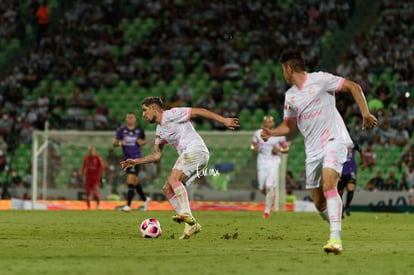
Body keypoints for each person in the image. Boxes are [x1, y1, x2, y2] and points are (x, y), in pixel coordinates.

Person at [261, 48, 378, 255]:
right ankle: (335, 217)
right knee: (318, 202)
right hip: (313, 150)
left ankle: (335, 238)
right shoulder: (291, 97)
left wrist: (365, 113)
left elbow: (353, 86)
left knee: (329, 184)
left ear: (288, 68)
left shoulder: (321, 79)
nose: (283, 74)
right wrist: (272, 133)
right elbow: (288, 128)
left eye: (282, 70)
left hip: (335, 140)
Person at [120, 97, 239, 239]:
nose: (143, 115)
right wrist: (135, 162)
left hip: (196, 150)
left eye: (144, 110)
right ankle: (191, 224)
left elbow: (199, 111)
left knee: (173, 179)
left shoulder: (172, 114)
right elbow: (156, 155)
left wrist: (223, 120)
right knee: (167, 188)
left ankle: (186, 215)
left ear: (153, 108)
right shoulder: (160, 130)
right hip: (192, 155)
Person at [251, 115, 289, 218]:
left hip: (273, 162)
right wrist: (254, 148)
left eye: (270, 122)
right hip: (261, 162)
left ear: (273, 123)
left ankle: (267, 212)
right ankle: (271, 195)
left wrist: (279, 150)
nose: (268, 124)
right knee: (262, 188)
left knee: (269, 186)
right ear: (263, 124)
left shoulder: (278, 135)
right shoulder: (258, 134)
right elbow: (253, 145)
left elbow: (286, 149)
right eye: (266, 122)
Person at [113, 112, 149, 212]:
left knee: (130, 180)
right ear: (126, 119)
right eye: (128, 117)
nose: (130, 119)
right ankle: (146, 200)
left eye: (131, 117)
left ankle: (128, 205)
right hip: (126, 159)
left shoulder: (139, 130)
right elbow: (114, 143)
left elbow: (144, 141)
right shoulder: (121, 130)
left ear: (135, 119)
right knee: (134, 181)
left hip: (136, 159)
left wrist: (141, 142)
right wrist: (120, 143)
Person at [337, 138, 364, 218]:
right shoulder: (337, 141)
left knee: (351, 189)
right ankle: (340, 210)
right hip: (340, 170)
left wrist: (362, 162)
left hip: (350, 170)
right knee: (339, 192)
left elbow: (360, 150)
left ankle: (347, 206)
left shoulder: (352, 142)